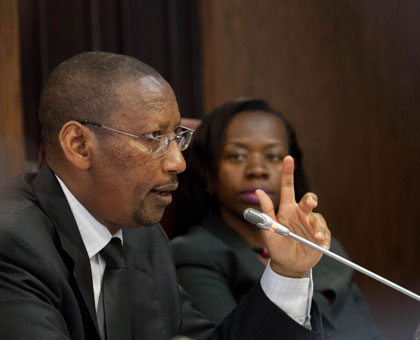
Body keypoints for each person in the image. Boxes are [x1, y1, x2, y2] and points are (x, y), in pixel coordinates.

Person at [0, 52, 331, 340]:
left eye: (177, 137)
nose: (178, 162)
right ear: (79, 145)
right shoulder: (12, 243)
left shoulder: (143, 238)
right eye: (153, 138)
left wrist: (287, 272)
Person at [171, 98, 384, 339]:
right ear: (207, 173)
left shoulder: (322, 245)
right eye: (237, 156)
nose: (257, 169)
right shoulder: (194, 253)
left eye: (272, 156)